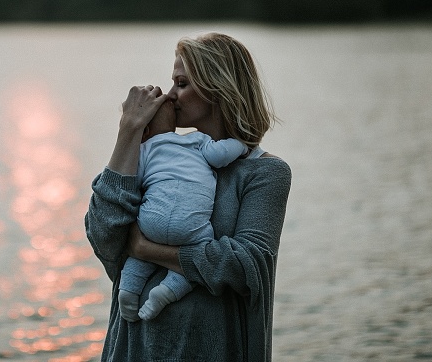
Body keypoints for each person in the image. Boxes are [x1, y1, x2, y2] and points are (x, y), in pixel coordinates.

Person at [85, 32, 291, 361]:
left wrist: (146, 249)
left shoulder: (264, 173)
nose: (170, 95)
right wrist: (129, 130)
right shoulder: (162, 155)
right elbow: (104, 239)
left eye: (181, 83)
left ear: (217, 88)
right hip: (133, 349)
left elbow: (246, 266)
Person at [118, 99, 247, 322]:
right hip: (190, 226)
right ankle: (166, 292)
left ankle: (127, 293)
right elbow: (221, 154)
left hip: (152, 221)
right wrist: (243, 145)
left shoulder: (145, 149)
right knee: (199, 252)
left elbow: (130, 181)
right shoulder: (196, 141)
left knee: (138, 260)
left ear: (146, 130)